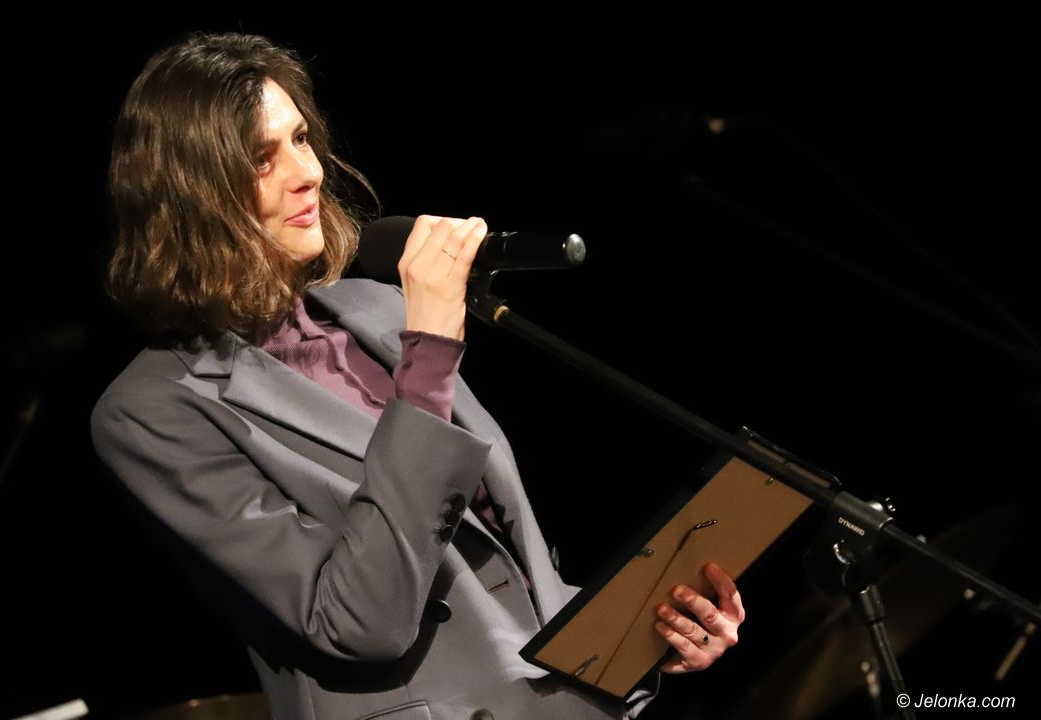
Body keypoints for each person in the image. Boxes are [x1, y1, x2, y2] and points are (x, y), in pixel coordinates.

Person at [90, 31, 745, 720]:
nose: (307, 173)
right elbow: (358, 622)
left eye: (302, 139)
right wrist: (429, 354)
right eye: (261, 158)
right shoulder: (153, 409)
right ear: (192, 195)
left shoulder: (374, 310)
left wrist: (649, 629)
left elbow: (508, 585)